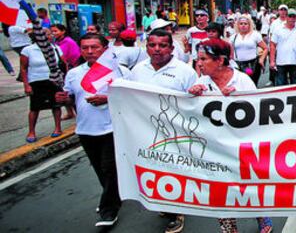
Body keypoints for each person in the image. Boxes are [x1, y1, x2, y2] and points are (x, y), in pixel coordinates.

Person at [186, 39, 273, 233]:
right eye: (198, 59)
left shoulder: (242, 80)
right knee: (219, 190)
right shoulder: (200, 84)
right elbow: (191, 118)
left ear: (220, 60)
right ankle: (228, 227)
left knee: (248, 186)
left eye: (203, 59)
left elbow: (259, 113)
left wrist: (235, 102)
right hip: (214, 150)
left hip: (242, 147)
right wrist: (191, 97)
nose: (198, 63)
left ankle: (261, 216)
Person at [55, 33, 131, 228]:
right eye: (85, 48)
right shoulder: (74, 74)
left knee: (109, 168)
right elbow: (72, 98)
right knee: (99, 169)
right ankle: (113, 196)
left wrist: (107, 99)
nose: (89, 52)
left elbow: (132, 99)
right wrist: (65, 100)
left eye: (94, 47)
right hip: (85, 130)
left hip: (112, 128)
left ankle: (108, 210)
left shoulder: (120, 72)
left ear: (105, 49)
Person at [130, 28, 197, 233]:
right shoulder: (138, 70)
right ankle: (164, 202)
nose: (157, 49)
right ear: (147, 47)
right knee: (154, 170)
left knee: (174, 171)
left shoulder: (185, 72)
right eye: (152, 45)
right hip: (147, 131)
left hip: (176, 134)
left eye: (162, 45)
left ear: (171, 48)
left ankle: (177, 211)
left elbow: (196, 104)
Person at [20, 27, 64, 142]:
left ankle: (58, 128)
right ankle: (31, 131)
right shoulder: (28, 50)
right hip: (36, 81)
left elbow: (63, 64)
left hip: (53, 81)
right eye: (47, 34)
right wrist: (26, 85)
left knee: (56, 105)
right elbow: (23, 69)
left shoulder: (55, 48)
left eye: (50, 34)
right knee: (34, 107)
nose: (50, 36)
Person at [230, 15, 266, 86]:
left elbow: (265, 48)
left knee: (250, 83)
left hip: (250, 65)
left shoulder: (255, 35)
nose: (243, 26)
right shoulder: (233, 37)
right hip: (238, 65)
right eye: (241, 24)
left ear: (249, 25)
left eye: (245, 24)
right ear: (238, 25)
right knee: (239, 85)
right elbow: (231, 53)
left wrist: (261, 59)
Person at [270, 9, 296, 86]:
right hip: (281, 62)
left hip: (295, 61)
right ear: (286, 17)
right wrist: (272, 61)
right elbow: (272, 45)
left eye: (294, 17)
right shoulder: (278, 29)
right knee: (281, 86)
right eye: (290, 16)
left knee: (295, 86)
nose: (292, 19)